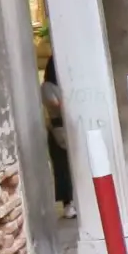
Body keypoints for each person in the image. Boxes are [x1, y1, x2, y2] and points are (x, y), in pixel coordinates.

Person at [40, 60, 74, 219]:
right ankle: (67, 203)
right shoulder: (47, 86)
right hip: (58, 130)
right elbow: (55, 104)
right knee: (63, 168)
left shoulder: (65, 83)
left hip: (70, 127)